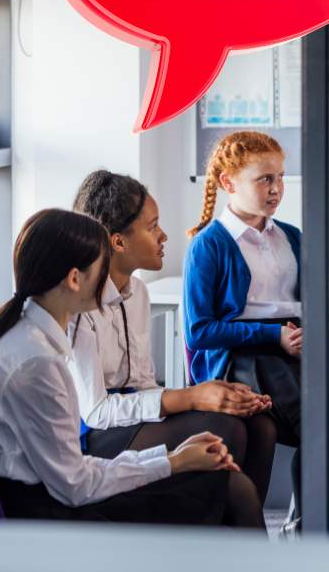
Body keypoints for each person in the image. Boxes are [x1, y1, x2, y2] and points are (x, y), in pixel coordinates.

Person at [0, 209, 262, 526]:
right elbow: (76, 486)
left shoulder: (23, 333)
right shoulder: (37, 362)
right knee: (234, 492)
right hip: (44, 512)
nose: (109, 282)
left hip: (48, 493)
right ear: (74, 279)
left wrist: (169, 458)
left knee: (227, 487)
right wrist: (173, 462)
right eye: (103, 270)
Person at [70, 170, 275, 509]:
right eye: (152, 228)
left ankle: (231, 525)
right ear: (118, 241)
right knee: (228, 430)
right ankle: (219, 524)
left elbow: (143, 383)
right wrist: (191, 398)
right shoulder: (79, 306)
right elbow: (95, 412)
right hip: (91, 434)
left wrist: (215, 394)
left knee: (260, 427)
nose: (163, 236)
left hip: (132, 418)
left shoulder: (137, 293)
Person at [184, 131, 302, 510]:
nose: (276, 188)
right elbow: (199, 331)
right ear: (228, 182)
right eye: (264, 178)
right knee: (326, 421)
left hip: (293, 348)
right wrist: (273, 335)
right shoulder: (210, 245)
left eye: (281, 177)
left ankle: (312, 518)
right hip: (245, 357)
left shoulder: (292, 238)